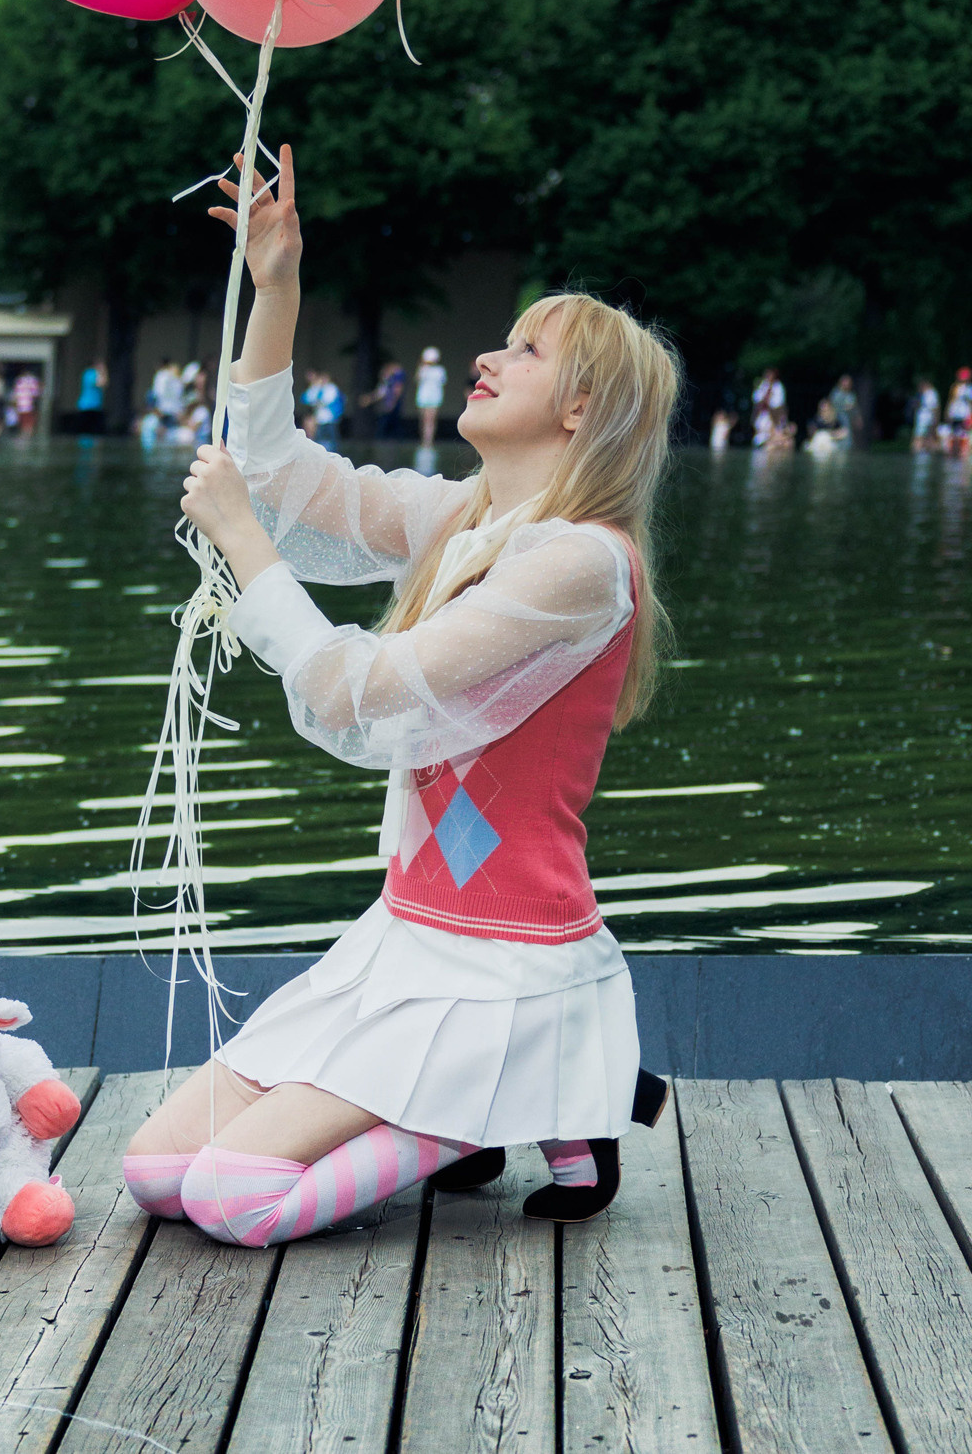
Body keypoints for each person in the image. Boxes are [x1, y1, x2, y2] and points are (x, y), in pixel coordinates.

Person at [124, 144, 676, 1246]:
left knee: (233, 1198)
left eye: (523, 349)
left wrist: (241, 543)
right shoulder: (467, 522)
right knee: (154, 1171)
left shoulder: (581, 564)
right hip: (405, 935)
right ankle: (511, 1105)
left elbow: (358, 690)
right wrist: (275, 287)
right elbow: (281, 472)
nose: (486, 353)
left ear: (579, 411)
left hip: (500, 960)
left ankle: (505, 1096)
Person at [364, 359, 407, 442]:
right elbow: (380, 392)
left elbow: (397, 390)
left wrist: (392, 402)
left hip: (391, 404)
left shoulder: (395, 378)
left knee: (389, 425)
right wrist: (369, 399)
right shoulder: (387, 381)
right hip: (387, 404)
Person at [414, 347, 448, 451]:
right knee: (423, 420)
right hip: (423, 398)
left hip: (434, 398)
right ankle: (424, 439)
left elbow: (442, 382)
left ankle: (428, 441)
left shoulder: (440, 370)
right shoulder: (423, 369)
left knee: (430, 420)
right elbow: (417, 379)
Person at [76, 359, 107, 437]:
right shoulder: (91, 373)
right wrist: (103, 372)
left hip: (96, 406)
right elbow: (101, 383)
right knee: (87, 431)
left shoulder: (95, 374)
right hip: (88, 406)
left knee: (95, 431)